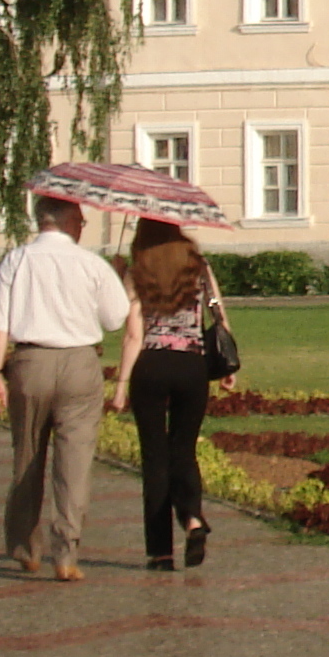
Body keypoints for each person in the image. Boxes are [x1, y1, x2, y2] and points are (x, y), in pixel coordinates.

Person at [0, 196, 132, 582]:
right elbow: (115, 319)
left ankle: (26, 546)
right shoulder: (91, 263)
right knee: (74, 463)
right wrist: (113, 276)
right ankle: (66, 551)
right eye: (80, 218)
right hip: (80, 363)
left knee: (27, 456)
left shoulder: (17, 260)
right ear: (65, 220)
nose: (84, 224)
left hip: (31, 362)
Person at [111, 218, 224, 571]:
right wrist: (227, 367)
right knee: (184, 449)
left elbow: (132, 333)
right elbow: (218, 312)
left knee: (155, 460)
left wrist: (120, 385)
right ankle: (192, 518)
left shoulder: (138, 269)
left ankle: (160, 552)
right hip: (192, 365)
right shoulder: (198, 265)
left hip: (151, 365)